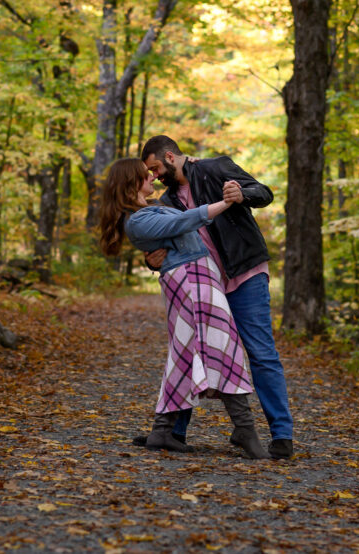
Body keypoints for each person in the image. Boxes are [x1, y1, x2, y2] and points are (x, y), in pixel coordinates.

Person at [98, 158, 271, 460]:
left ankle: (163, 429)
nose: (152, 178)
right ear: (131, 183)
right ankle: (245, 428)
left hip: (197, 276)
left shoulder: (146, 212)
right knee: (224, 346)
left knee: (185, 354)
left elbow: (173, 231)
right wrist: (225, 203)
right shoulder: (136, 220)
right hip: (191, 280)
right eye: (145, 176)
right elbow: (184, 221)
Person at [139, 136, 294, 459]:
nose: (154, 176)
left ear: (170, 156)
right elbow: (166, 237)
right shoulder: (167, 201)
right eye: (149, 173)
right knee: (191, 350)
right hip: (203, 284)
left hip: (244, 273)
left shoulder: (214, 168)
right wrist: (151, 258)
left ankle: (282, 435)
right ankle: (172, 432)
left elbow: (264, 192)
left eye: (155, 168)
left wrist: (242, 194)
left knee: (260, 351)